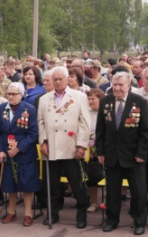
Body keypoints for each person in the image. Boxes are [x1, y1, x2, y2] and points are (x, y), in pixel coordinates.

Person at [96, 72, 148, 235]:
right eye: (115, 84)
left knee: (138, 192)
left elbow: (145, 132)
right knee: (112, 191)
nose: (117, 88)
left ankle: (139, 221)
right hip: (112, 154)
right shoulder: (105, 101)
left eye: (121, 85)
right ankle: (111, 220)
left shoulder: (140, 102)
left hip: (134, 156)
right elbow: (100, 129)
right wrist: (100, 151)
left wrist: (141, 152)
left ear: (129, 85)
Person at [37, 66, 90, 228]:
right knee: (52, 185)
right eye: (55, 79)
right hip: (51, 146)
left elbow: (85, 123)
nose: (58, 82)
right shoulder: (44, 99)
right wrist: (43, 141)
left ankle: (82, 215)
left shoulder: (79, 96)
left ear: (68, 80)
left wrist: (81, 145)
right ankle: (52, 214)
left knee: (77, 185)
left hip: (72, 147)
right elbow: (41, 122)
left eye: (61, 79)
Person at [0, 82, 40, 227]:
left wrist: (19, 148)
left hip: (25, 153)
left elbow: (33, 134)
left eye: (14, 94)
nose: (11, 96)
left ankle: (28, 214)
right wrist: (0, 150)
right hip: (7, 153)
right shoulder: (2, 108)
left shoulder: (29, 109)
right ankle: (11, 212)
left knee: (27, 184)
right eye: (9, 94)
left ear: (21, 95)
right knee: (10, 184)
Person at [86, 89, 105, 212]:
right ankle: (93, 202)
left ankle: (107, 201)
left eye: (93, 99)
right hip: (90, 151)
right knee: (91, 176)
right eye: (89, 99)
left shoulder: (106, 112)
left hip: (105, 149)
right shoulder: (86, 113)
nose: (90, 101)